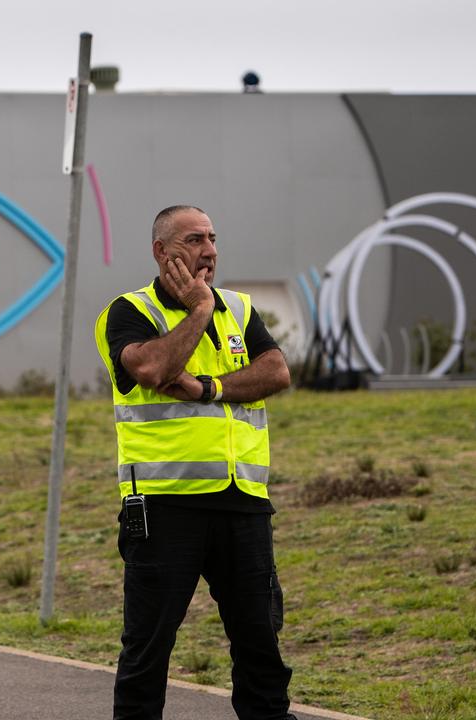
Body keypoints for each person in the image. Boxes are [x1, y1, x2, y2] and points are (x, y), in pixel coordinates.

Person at [94, 205, 295, 720]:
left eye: (212, 238)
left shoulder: (242, 310)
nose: (208, 250)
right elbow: (155, 368)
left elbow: (276, 372)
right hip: (164, 507)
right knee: (149, 647)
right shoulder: (128, 312)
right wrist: (199, 311)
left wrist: (212, 388)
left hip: (242, 502)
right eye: (193, 240)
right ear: (162, 252)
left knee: (260, 645)